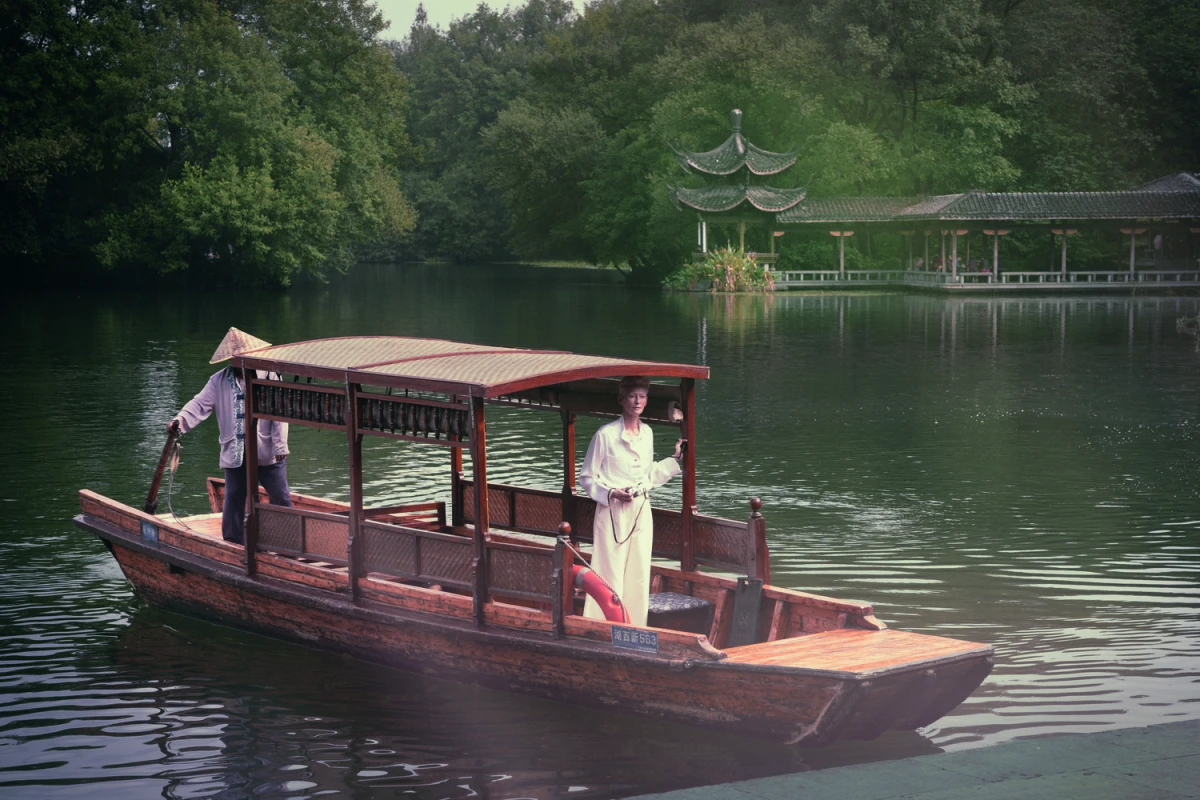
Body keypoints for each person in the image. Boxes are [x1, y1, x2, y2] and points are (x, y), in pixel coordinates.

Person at [170, 327, 292, 544]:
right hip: (235, 452)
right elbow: (199, 404)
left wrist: (281, 446)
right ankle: (234, 543)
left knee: (281, 497)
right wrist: (179, 422)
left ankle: (287, 540)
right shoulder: (218, 381)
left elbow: (280, 413)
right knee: (234, 499)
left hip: (267, 451)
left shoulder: (270, 375)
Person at [579, 376, 683, 626]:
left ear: (646, 400)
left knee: (638, 570)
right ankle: (601, 624)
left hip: (640, 509)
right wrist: (612, 492)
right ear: (621, 399)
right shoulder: (605, 435)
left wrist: (675, 459)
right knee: (608, 568)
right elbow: (587, 478)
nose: (637, 401)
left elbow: (647, 476)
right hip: (612, 510)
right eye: (632, 396)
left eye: (642, 396)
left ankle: (635, 625)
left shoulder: (647, 433)